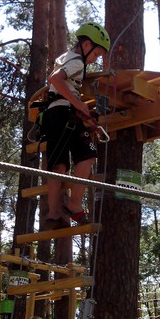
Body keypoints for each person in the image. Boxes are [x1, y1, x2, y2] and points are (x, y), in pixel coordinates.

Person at [40, 22, 110, 231]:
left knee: (58, 165)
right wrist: (79, 104)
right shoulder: (78, 61)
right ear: (86, 44)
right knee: (88, 155)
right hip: (64, 114)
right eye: (96, 54)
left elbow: (56, 84)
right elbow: (55, 79)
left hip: (54, 114)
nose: (96, 59)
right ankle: (73, 203)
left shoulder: (64, 58)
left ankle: (54, 214)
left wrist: (79, 109)